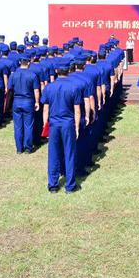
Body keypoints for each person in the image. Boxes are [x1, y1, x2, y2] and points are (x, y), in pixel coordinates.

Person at [41, 58, 82, 193]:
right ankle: (70, 185)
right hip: (68, 123)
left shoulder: (49, 87)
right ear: (69, 71)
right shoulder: (74, 87)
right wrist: (76, 127)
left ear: (57, 71)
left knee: (53, 154)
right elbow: (77, 109)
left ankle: (53, 184)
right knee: (69, 153)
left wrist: (44, 125)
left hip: (53, 123)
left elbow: (45, 109)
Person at [8, 55, 40, 154]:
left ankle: (19, 148)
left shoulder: (13, 75)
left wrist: (8, 103)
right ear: (29, 63)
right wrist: (37, 102)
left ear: (20, 63)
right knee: (28, 125)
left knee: (18, 126)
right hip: (28, 101)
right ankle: (28, 147)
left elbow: (9, 89)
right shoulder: (32, 75)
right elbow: (36, 90)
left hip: (17, 101)